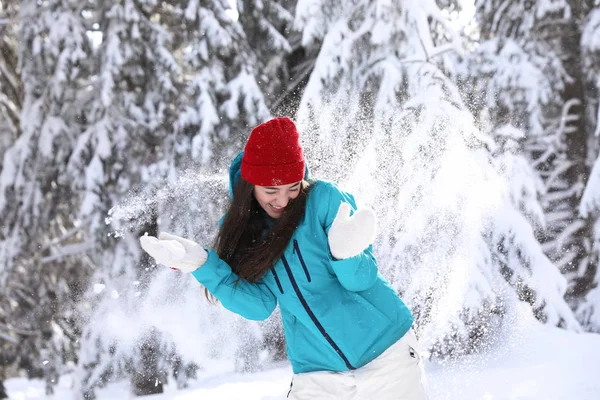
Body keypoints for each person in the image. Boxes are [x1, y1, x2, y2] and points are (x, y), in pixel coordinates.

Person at [140, 117, 428, 399]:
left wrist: (347, 254)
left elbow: (362, 279)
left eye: (293, 187)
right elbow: (259, 306)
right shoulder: (244, 230)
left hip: (387, 355)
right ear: (251, 185)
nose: (283, 200)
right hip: (318, 373)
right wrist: (200, 264)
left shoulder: (325, 200)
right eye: (271, 191)